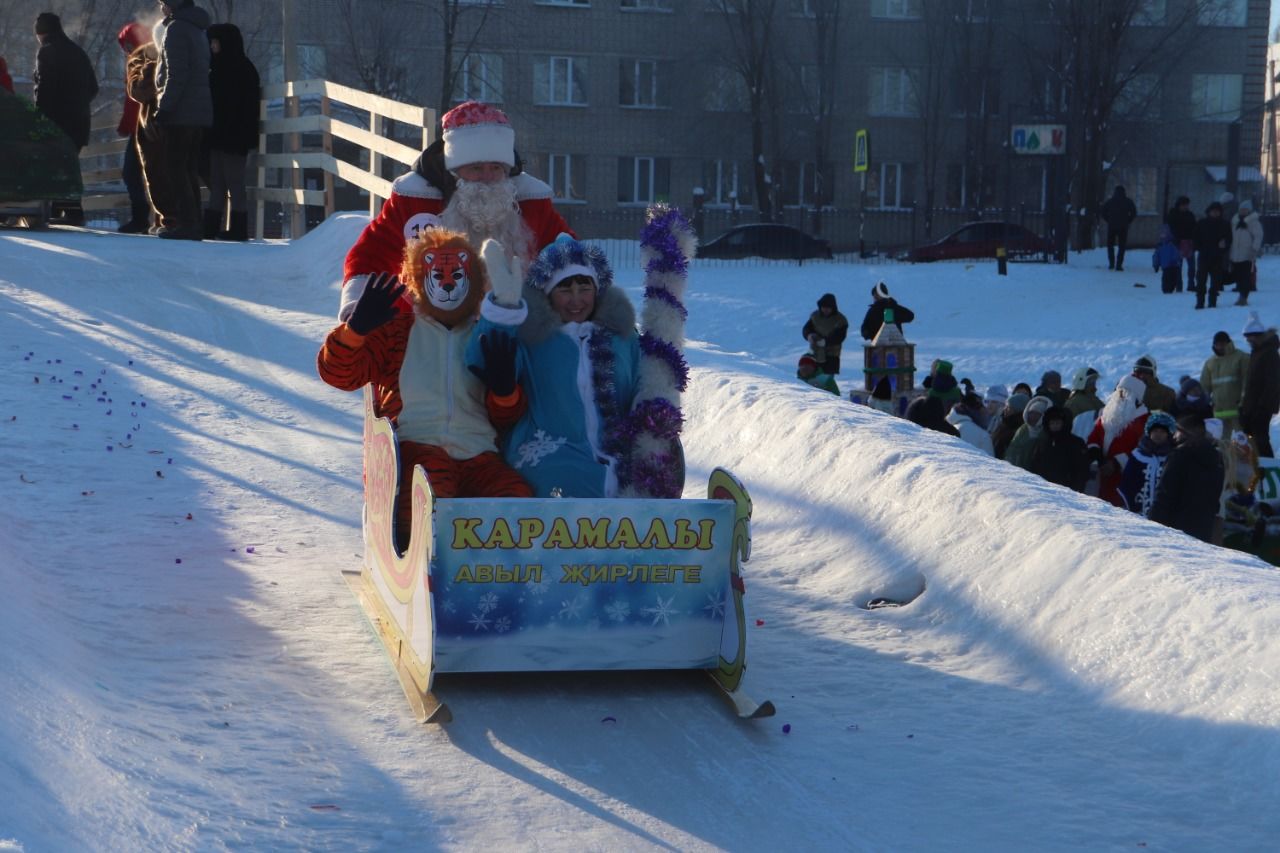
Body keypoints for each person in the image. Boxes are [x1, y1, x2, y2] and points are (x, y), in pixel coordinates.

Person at [317, 229, 533, 545]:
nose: (448, 284)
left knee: (517, 498)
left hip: (479, 454)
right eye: (438, 275)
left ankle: (499, 577)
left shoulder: (483, 337)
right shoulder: (397, 333)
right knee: (429, 489)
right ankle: (415, 569)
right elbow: (339, 374)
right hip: (415, 447)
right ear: (419, 279)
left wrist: (505, 392)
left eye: (457, 275)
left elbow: (508, 417)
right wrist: (355, 331)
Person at [341, 100, 573, 322]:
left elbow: (571, 257)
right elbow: (371, 254)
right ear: (455, 171)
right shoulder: (415, 201)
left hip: (512, 332)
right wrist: (357, 306)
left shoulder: (532, 203)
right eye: (476, 168)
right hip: (425, 331)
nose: (487, 178)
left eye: (496, 168)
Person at [466, 235, 640, 498]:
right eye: (565, 290)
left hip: (617, 453)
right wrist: (505, 309)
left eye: (584, 288)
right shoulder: (533, 338)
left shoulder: (622, 338)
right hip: (551, 451)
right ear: (548, 294)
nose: (576, 300)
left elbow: (643, 384)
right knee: (573, 483)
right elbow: (482, 356)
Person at [153, 0, 213, 240]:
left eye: (163, 3)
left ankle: (187, 224)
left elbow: (176, 73)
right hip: (198, 111)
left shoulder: (176, 29)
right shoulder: (198, 29)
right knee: (188, 168)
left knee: (176, 168)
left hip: (181, 112)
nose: (161, 8)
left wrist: (164, 107)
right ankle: (193, 223)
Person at [33, 12, 98, 226]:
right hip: (79, 121)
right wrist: (78, 104)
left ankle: (69, 212)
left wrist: (39, 118)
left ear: (41, 33)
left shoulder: (47, 52)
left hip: (57, 121)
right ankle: (66, 210)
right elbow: (93, 87)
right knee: (67, 164)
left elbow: (44, 89)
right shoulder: (78, 52)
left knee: (57, 165)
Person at [203, 23, 259, 241]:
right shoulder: (237, 68)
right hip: (226, 135)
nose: (212, 46)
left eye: (215, 41)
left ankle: (234, 228)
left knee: (232, 182)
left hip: (231, 135)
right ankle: (222, 226)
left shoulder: (231, 69)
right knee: (219, 181)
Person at [1148, 414, 1225, 542]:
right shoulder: (1217, 459)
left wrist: (1152, 526)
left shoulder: (1179, 455)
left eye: (1177, 431)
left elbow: (1164, 494)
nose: (1174, 436)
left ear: (1186, 433)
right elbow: (1215, 498)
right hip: (1202, 532)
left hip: (1173, 532)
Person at [125, 38, 173, 235]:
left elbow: (138, 92)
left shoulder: (146, 60)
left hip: (154, 124)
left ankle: (166, 219)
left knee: (153, 172)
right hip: (178, 121)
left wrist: (143, 69)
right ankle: (166, 219)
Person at [1087, 375, 1151, 506]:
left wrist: (1116, 463)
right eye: (1118, 391)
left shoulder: (1146, 420)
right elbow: (1094, 437)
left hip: (1126, 478)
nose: (1120, 395)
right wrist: (1098, 456)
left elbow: (1143, 449)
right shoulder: (1107, 415)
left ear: (1136, 396)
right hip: (1103, 474)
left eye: (1125, 392)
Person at [116, 23, 153, 234]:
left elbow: (134, 102)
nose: (127, 50)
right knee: (150, 171)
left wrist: (125, 124)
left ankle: (141, 217)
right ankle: (153, 216)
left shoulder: (139, 63)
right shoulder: (151, 58)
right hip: (147, 125)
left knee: (131, 171)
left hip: (142, 126)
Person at [1116, 411, 1176, 517]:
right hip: (1139, 510)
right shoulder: (1138, 455)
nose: (1158, 434)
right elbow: (1127, 481)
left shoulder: (1172, 457)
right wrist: (1132, 506)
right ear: (1149, 432)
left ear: (1168, 434)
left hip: (1165, 513)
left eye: (1162, 432)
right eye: (1155, 431)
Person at [1239, 312, 1280, 458]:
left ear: (1257, 336)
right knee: (1253, 442)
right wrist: (1245, 408)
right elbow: (1251, 385)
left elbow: (1272, 384)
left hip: (1262, 407)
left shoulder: (1269, 354)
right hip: (1253, 407)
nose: (1248, 340)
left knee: (1261, 441)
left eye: (1250, 337)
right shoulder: (1257, 352)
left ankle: (1268, 471)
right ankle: (1258, 470)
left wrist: (1262, 408)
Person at [1200, 330, 1249, 437]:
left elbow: (1248, 382)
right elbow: (1204, 385)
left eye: (1222, 344)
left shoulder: (1241, 358)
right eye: (1217, 344)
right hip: (1219, 412)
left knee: (1244, 443)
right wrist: (1206, 402)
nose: (1219, 347)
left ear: (1228, 343)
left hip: (1239, 411)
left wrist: (1244, 403)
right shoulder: (1210, 362)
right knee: (1222, 445)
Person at [1028, 405, 1090, 491]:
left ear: (1064, 423)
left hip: (1067, 492)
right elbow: (1034, 465)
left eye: (1058, 423)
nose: (1055, 426)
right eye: (1052, 423)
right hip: (1043, 490)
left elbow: (1082, 471)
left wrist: (1075, 491)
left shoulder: (1076, 443)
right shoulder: (1043, 442)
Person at [1192, 201, 1231, 310]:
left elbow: (1229, 239)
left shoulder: (1225, 224)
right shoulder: (1202, 223)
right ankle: (1200, 301)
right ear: (1209, 212)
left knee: (1216, 280)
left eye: (1217, 212)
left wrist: (1225, 244)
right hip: (1204, 255)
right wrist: (1198, 247)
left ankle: (1212, 301)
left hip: (1217, 256)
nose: (1215, 213)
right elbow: (1195, 237)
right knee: (1201, 279)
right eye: (1213, 211)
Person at [1224, 200, 1263, 306]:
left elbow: (1258, 237)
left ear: (1249, 210)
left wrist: (1254, 249)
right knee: (1238, 275)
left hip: (1247, 254)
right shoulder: (1235, 221)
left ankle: (1243, 297)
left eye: (1245, 209)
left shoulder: (1253, 222)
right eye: (1241, 209)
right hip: (1235, 254)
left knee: (1245, 276)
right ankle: (1240, 294)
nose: (1243, 211)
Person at [802, 293, 849, 375]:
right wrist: (809, 336)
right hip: (815, 353)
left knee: (827, 379)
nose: (825, 310)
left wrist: (825, 342)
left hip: (831, 355)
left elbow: (840, 336)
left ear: (833, 308)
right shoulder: (815, 316)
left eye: (828, 308)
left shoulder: (841, 320)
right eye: (823, 307)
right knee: (813, 377)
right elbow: (807, 329)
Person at [1005, 395, 1053, 470]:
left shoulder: (1047, 433)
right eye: (1031, 413)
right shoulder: (1023, 429)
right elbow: (1012, 449)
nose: (1032, 416)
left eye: (1037, 414)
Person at [1100, 185, 1137, 271]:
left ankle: (1111, 263)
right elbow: (1134, 213)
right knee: (1122, 246)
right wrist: (1128, 220)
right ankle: (1119, 265)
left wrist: (1108, 220)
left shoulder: (1111, 201)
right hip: (1123, 227)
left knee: (1110, 245)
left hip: (1112, 226)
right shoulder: (1128, 201)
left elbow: (1103, 212)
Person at [1165, 195, 1197, 291]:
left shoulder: (1190, 215)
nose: (1185, 207)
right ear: (1179, 205)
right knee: (1178, 266)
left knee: (1191, 266)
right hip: (1177, 242)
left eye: (1186, 205)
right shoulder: (1173, 215)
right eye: (1184, 205)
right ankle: (1179, 285)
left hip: (1189, 242)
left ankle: (1191, 284)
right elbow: (1171, 229)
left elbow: (1194, 228)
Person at [1065, 367, 1103, 435]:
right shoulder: (1075, 402)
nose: (1093, 384)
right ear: (1081, 382)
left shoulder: (1093, 398)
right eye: (1091, 381)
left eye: (1094, 381)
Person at [992, 391, 1030, 459]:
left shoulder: (1019, 429)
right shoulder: (1004, 424)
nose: (1005, 409)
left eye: (1009, 407)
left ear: (1018, 410)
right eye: (1005, 406)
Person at [1152, 223, 1182, 294]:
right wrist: (1156, 265)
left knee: (1173, 279)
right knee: (1165, 280)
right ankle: (1166, 290)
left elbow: (1177, 254)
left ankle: (1174, 288)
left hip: (1174, 266)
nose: (1163, 235)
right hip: (1165, 267)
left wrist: (1177, 261)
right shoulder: (1160, 246)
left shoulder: (1172, 244)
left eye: (1165, 234)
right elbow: (1156, 256)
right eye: (1162, 234)